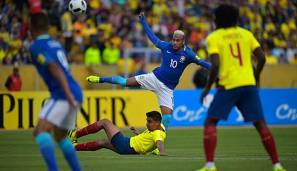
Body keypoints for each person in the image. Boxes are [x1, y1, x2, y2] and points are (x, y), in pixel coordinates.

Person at [86, 12, 211, 130]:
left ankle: (158, 144)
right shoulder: (166, 46)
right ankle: (99, 79)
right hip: (154, 78)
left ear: (183, 41)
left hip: (167, 89)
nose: (174, 42)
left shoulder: (188, 53)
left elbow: (202, 63)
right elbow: (152, 37)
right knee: (125, 82)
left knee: (167, 118)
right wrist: (143, 21)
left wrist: (218, 68)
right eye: (173, 39)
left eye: (177, 40)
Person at [197, 4, 286, 171]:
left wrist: (208, 87)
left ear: (218, 19)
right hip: (248, 85)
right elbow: (262, 58)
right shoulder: (246, 34)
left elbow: (215, 64)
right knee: (261, 124)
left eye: (215, 18)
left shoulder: (214, 37)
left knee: (210, 121)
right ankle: (277, 165)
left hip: (228, 85)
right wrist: (256, 76)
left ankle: (210, 166)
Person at [29, 12, 82, 171]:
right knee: (60, 136)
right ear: (48, 27)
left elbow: (54, 68)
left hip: (63, 94)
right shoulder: (56, 43)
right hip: (75, 91)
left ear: (31, 28)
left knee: (40, 132)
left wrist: (67, 94)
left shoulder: (36, 46)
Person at [68, 111, 166, 156]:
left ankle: (75, 134)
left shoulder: (158, 133)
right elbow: (149, 140)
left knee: (105, 122)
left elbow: (159, 142)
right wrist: (138, 133)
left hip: (125, 144)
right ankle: (74, 147)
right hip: (128, 149)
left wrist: (162, 152)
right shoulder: (158, 128)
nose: (147, 124)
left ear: (157, 123)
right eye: (147, 121)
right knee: (102, 143)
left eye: (149, 121)